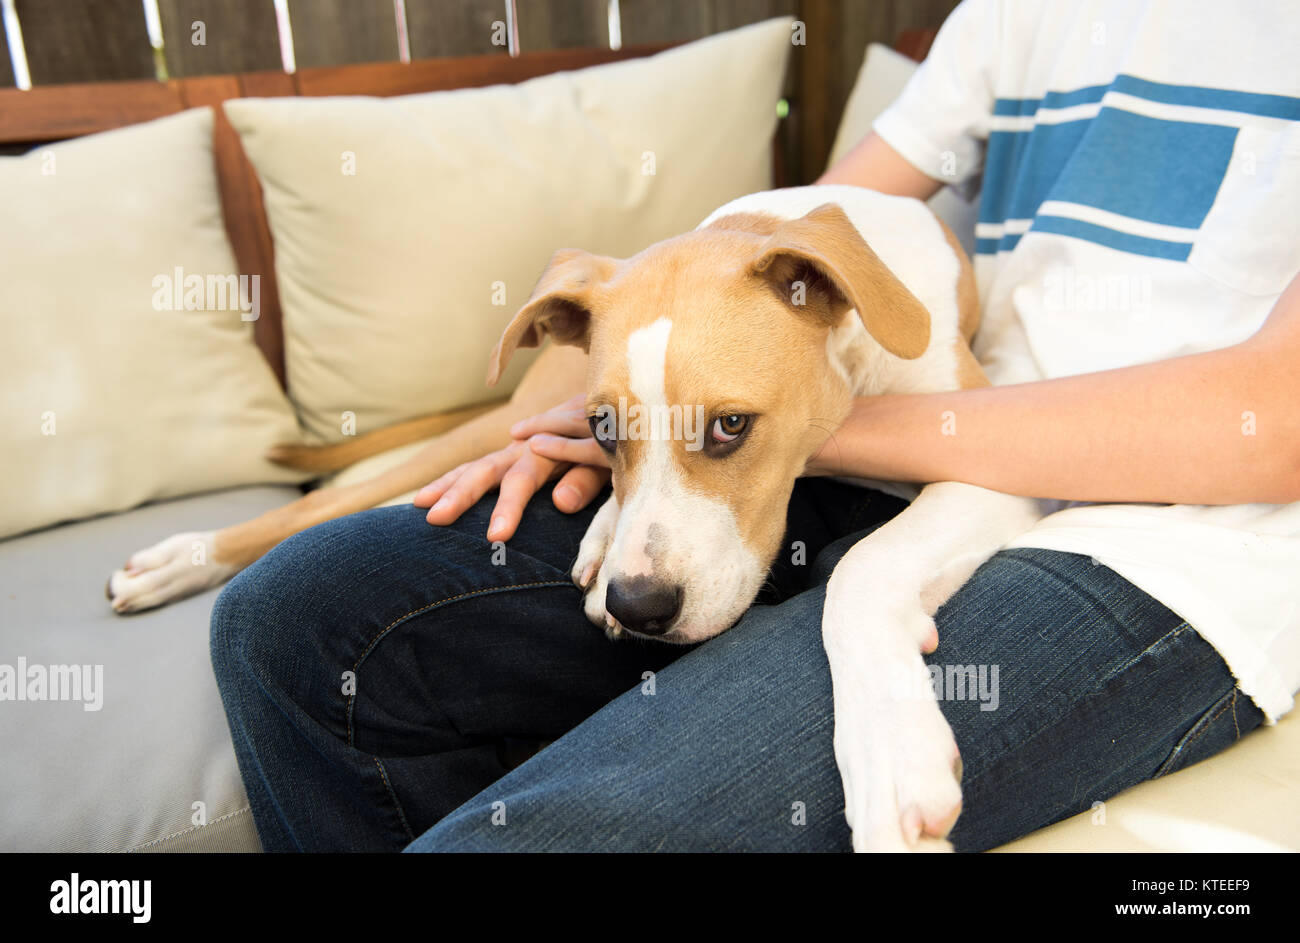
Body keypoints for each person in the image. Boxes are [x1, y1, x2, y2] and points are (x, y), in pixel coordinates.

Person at [210, 0, 1300, 852]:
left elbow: (1270, 428)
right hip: (914, 460)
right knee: (293, 621)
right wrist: (619, 412)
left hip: (1176, 541)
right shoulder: (1016, 16)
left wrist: (779, 432)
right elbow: (808, 234)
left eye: (723, 429)